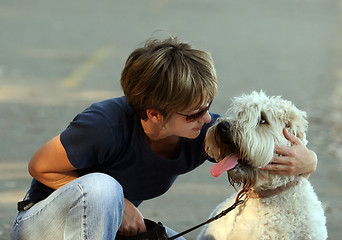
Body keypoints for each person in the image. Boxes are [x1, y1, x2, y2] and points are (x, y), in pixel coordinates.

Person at [10, 36, 317, 240]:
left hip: (109, 229)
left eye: (207, 107)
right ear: (155, 113)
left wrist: (308, 161)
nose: (207, 118)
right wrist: (121, 204)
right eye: (194, 113)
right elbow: (40, 167)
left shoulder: (200, 129)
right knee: (103, 188)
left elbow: (253, 146)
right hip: (44, 226)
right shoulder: (103, 125)